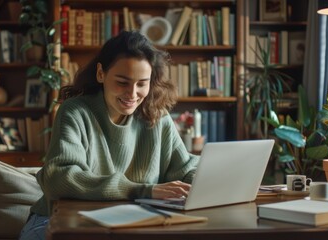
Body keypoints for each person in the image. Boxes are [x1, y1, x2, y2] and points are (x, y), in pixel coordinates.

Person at [20, 31, 200, 240]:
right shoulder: (75, 111)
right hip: (55, 222)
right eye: (122, 82)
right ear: (101, 74)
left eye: (142, 83)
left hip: (129, 226)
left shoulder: (158, 117)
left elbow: (188, 168)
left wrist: (200, 184)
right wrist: (143, 190)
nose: (132, 94)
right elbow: (60, 177)